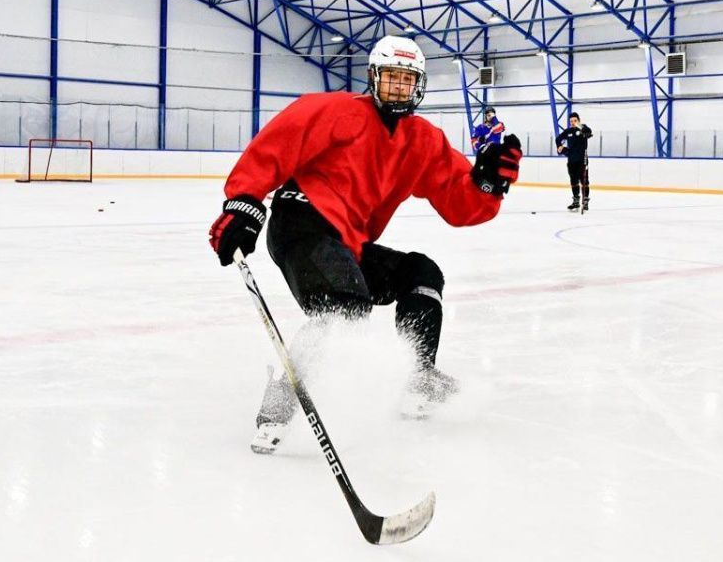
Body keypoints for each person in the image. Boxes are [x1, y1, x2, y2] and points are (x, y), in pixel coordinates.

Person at [208, 35, 523, 452]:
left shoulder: (423, 140)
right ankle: (279, 406)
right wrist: (244, 203)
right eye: (391, 77)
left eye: (407, 80)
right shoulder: (334, 110)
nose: (399, 87)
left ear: (419, 86)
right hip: (301, 225)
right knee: (345, 302)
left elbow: (458, 204)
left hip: (348, 244)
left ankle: (418, 377)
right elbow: (276, 146)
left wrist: (487, 183)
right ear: (373, 77)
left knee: (421, 273)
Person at [555, 112, 593, 211]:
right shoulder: (568, 131)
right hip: (571, 160)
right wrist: (560, 147)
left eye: (575, 120)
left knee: (584, 181)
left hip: (582, 160)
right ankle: (576, 201)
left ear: (579, 120)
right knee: (573, 181)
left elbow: (589, 132)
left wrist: (579, 126)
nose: (573, 122)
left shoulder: (583, 128)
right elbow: (558, 139)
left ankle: (585, 201)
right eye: (571, 121)